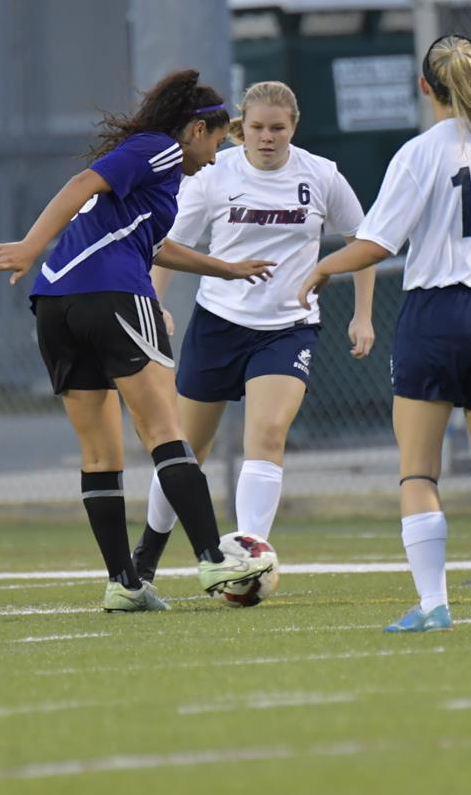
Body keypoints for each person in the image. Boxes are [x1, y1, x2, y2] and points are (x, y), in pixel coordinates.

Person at [298, 35, 471, 633]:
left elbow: (377, 243)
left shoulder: (421, 152)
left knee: (419, 472)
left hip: (439, 314)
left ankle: (434, 606)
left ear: (425, 86)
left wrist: (323, 268)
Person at [0, 69, 278, 613]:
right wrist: (28, 245)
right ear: (193, 130)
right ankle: (214, 558)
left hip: (54, 305)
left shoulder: (152, 168)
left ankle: (125, 584)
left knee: (100, 451)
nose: (214, 156)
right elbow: (80, 185)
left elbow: (152, 244)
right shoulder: (161, 150)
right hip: (112, 294)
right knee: (165, 430)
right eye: (215, 140)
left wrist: (224, 269)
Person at [131, 81, 375, 585]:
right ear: (243, 125)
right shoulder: (215, 174)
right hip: (219, 324)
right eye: (258, 128)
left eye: (278, 129)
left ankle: (248, 560)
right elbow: (168, 244)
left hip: (288, 329)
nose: (267, 138)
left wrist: (363, 314)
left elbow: (365, 242)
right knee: (184, 451)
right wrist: (154, 302)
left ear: (294, 127)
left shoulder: (321, 175)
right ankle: (146, 557)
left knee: (266, 435)